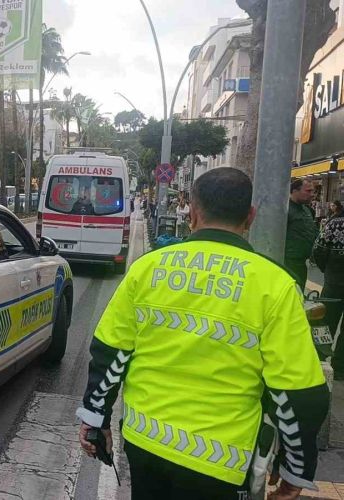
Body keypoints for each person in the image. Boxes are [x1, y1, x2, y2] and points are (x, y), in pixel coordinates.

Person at [77, 168, 329, 500]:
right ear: (250, 217)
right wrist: (296, 468)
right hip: (222, 460)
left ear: (193, 213)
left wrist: (96, 419)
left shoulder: (147, 268)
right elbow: (298, 391)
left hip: (145, 442)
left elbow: (110, 352)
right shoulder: (276, 285)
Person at [313, 205, 344, 381]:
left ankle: (320, 361)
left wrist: (328, 271)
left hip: (334, 283)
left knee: (326, 324)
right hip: (334, 280)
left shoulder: (334, 223)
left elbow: (318, 249)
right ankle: (340, 369)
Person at [285, 179, 318, 290]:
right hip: (288, 263)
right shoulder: (285, 210)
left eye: (313, 191)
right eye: (308, 191)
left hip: (302, 263)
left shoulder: (307, 210)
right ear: (295, 191)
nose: (312, 194)